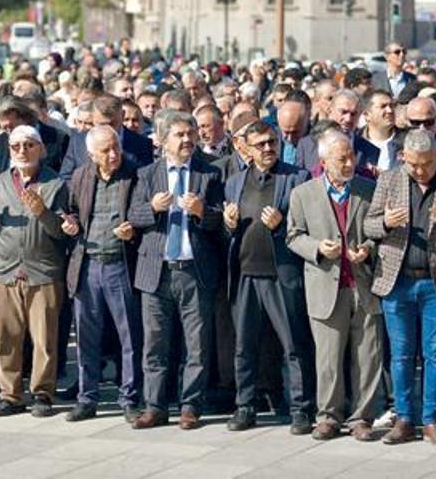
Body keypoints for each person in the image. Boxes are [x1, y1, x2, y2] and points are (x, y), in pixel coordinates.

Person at [364, 129, 436, 446]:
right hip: (398, 280)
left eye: (427, 164)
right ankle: (405, 417)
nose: (421, 171)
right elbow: (368, 224)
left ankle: (431, 419)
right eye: (414, 165)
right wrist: (386, 223)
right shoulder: (389, 180)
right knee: (401, 354)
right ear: (403, 158)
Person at [129, 111, 225, 430]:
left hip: (194, 271)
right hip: (156, 270)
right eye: (180, 135)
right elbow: (132, 216)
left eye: (190, 133)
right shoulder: (146, 174)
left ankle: (190, 406)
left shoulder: (209, 174)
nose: (187, 140)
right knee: (155, 344)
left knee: (196, 344)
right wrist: (152, 208)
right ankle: (155, 406)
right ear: (163, 140)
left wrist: (202, 212)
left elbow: (220, 223)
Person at [286, 130, 381, 441]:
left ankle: (362, 418)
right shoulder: (303, 194)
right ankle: (328, 416)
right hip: (326, 285)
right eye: (342, 159)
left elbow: (379, 234)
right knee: (328, 357)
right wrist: (317, 248)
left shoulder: (368, 189)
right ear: (324, 162)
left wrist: (366, 248)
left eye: (351, 156)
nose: (350, 163)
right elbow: (293, 236)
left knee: (367, 355)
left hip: (363, 285)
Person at [223, 121, 314, 434]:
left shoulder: (295, 177)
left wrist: (282, 223)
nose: (267, 149)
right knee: (244, 345)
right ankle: (245, 406)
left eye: (272, 142)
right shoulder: (235, 181)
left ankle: (301, 408)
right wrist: (229, 224)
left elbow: (306, 226)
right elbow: (230, 230)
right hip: (245, 274)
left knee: (293, 344)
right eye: (260, 143)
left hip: (280, 275)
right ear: (246, 147)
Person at [0, 124, 69, 417]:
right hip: (4, 269)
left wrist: (43, 212)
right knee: (6, 336)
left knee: (44, 339)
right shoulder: (0, 182)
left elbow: (62, 233)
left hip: (42, 270)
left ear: (40, 149)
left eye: (29, 145)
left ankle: (42, 393)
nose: (22, 151)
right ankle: (10, 394)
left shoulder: (55, 183)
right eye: (16, 146)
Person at [64, 125, 143, 423]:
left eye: (116, 148)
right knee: (86, 336)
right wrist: (69, 223)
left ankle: (130, 397)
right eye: (106, 151)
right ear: (91, 154)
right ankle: (87, 397)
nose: (114, 155)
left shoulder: (134, 174)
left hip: (120, 263)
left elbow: (144, 212)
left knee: (129, 337)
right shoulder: (82, 175)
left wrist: (132, 228)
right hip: (87, 264)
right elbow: (70, 209)